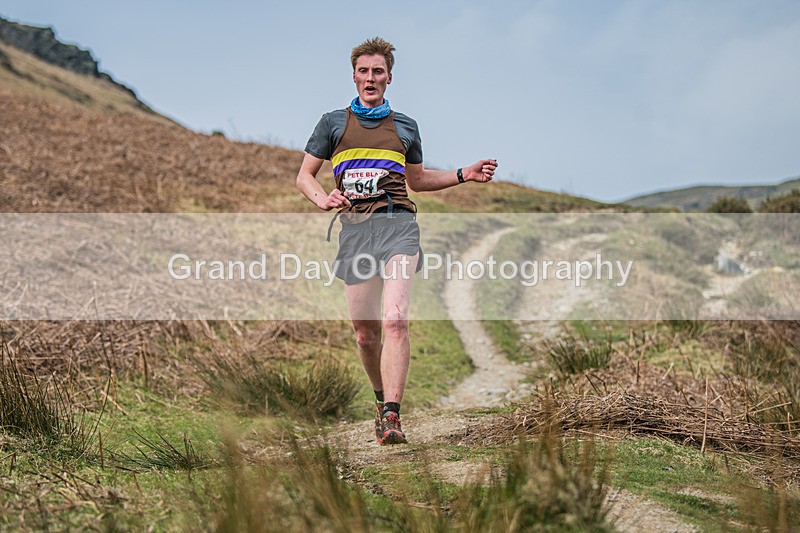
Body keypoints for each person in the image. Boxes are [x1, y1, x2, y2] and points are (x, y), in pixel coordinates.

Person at [296, 37, 496, 445]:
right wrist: (324, 198)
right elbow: (304, 176)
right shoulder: (332, 123)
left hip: (397, 225)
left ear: (390, 78)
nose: (371, 78)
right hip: (355, 231)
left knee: (396, 319)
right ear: (354, 76)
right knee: (365, 335)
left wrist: (463, 174)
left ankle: (393, 415)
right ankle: (378, 399)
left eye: (378, 72)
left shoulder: (406, 126)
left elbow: (417, 181)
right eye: (364, 71)